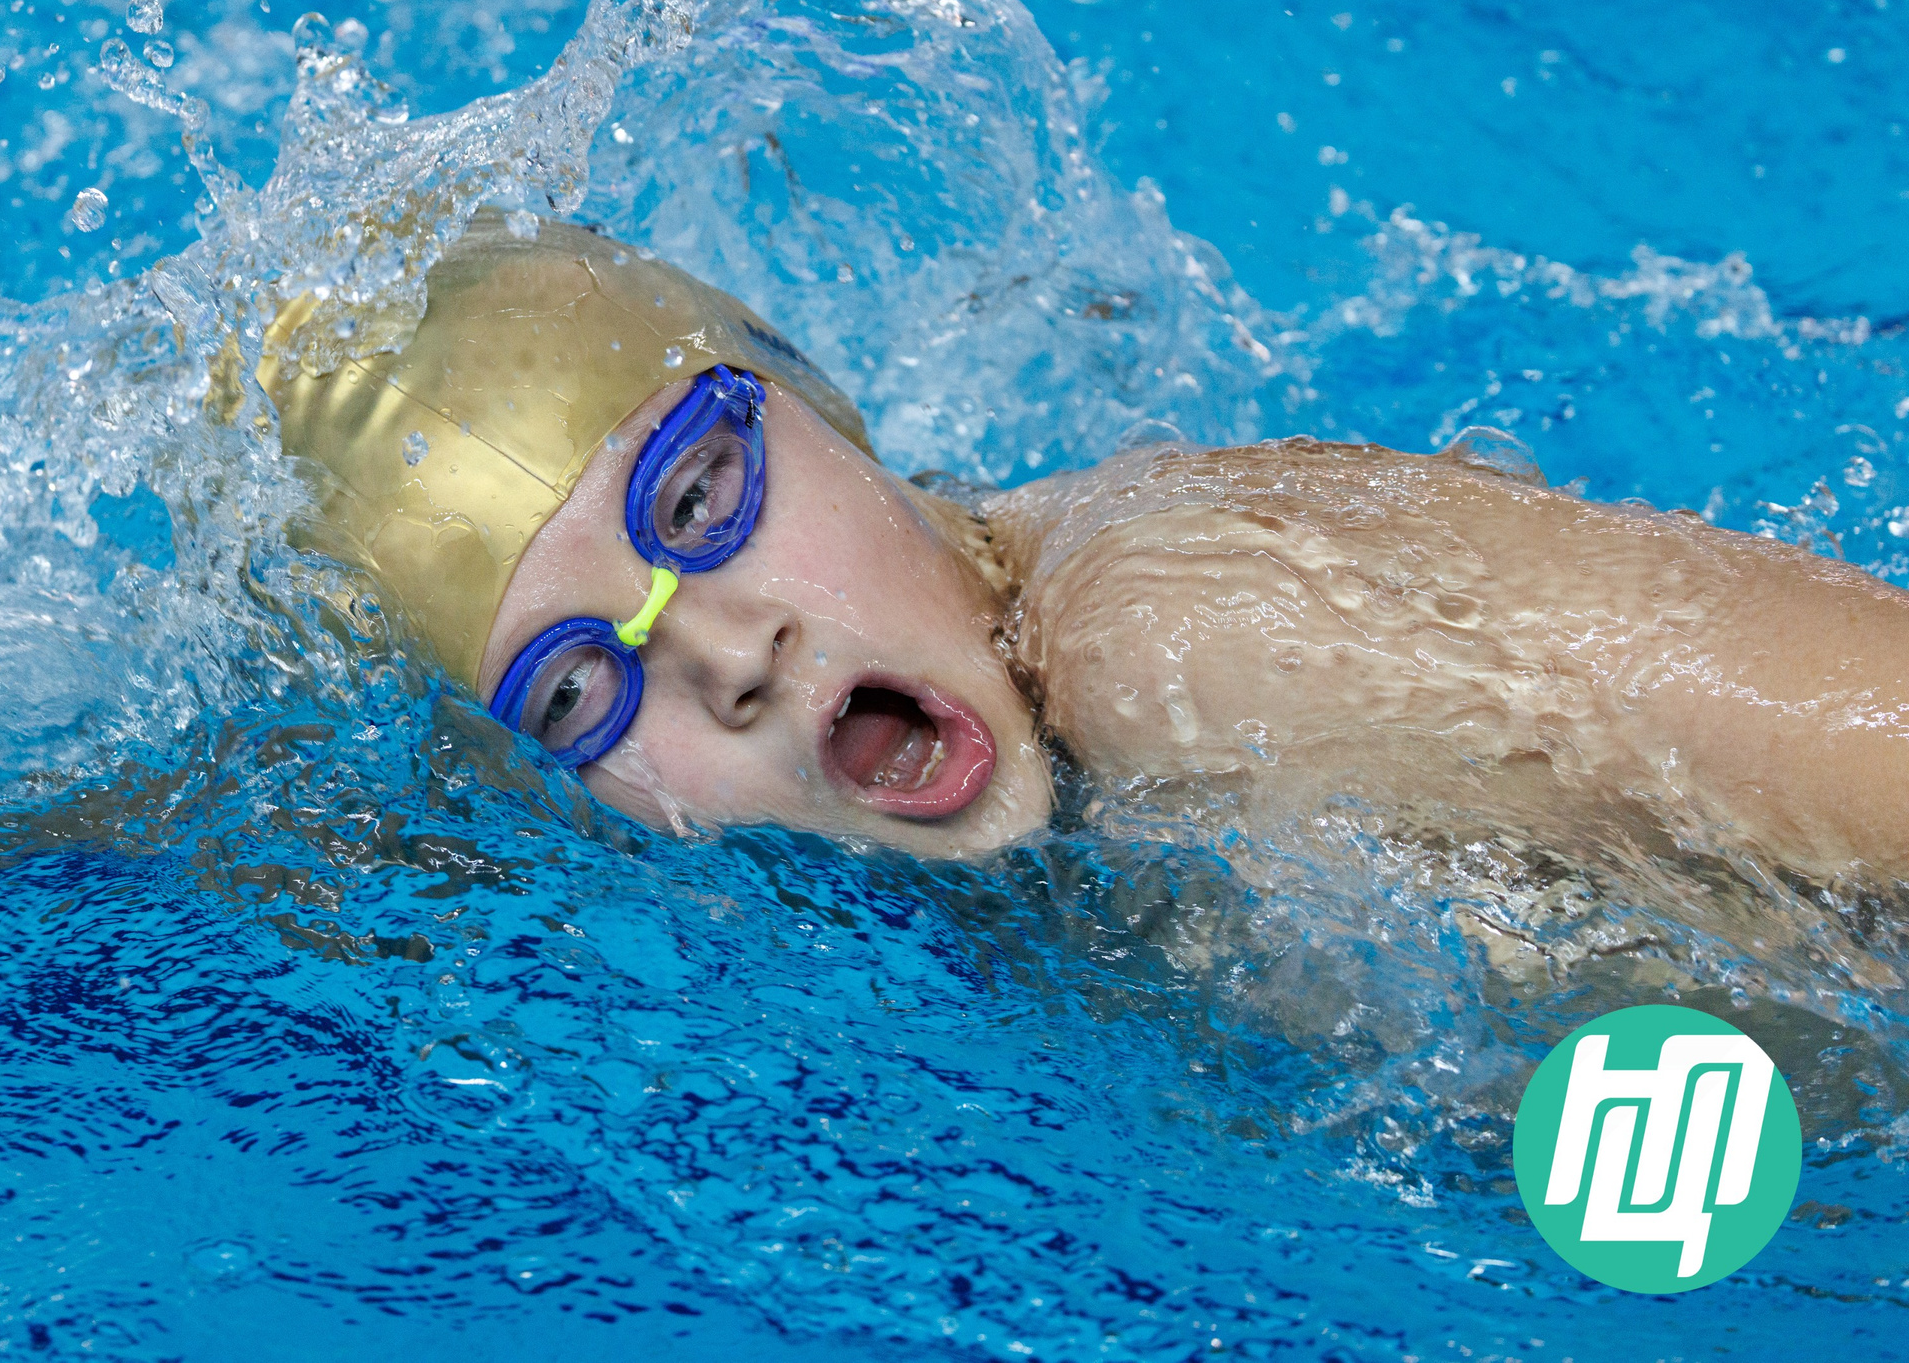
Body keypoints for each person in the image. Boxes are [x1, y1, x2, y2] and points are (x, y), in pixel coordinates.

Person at [261, 218, 1909, 884]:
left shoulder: (1181, 635)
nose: (727, 656)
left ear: (825, 408)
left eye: (700, 503)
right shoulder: (874, 866)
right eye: (574, 693)